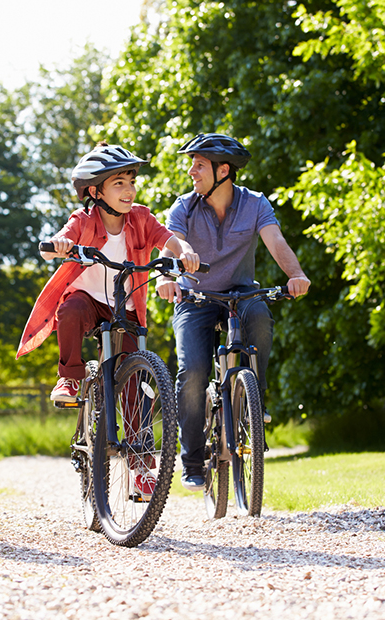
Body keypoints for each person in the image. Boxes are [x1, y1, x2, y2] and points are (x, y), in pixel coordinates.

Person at [156, 133, 310, 491]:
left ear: (223, 170)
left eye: (199, 165)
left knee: (259, 315)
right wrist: (167, 277)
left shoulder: (255, 204)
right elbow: (171, 245)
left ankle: (253, 402)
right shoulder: (183, 207)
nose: (191, 171)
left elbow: (276, 241)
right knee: (193, 371)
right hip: (195, 296)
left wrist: (296, 275)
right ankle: (192, 460)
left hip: (240, 292)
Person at [17, 142, 200, 406]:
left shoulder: (142, 218)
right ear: (95, 191)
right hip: (89, 302)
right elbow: (50, 249)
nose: (130, 190)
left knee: (134, 379)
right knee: (71, 309)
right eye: (119, 183)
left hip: (124, 307)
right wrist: (59, 246)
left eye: (131, 182)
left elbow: (169, 240)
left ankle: (140, 443)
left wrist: (185, 251)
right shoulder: (82, 220)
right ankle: (69, 378)